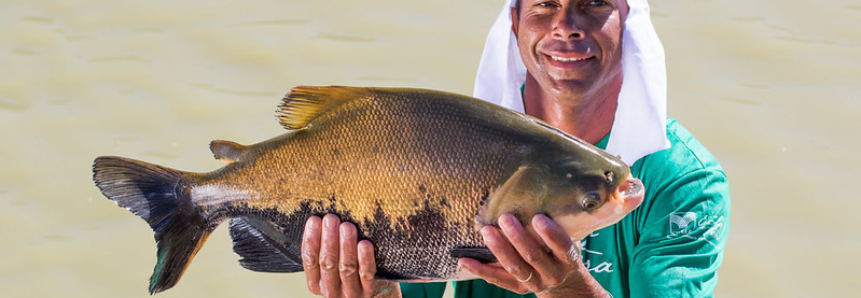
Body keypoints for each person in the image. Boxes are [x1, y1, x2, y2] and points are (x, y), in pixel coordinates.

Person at [300, 0, 730, 297]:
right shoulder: (445, 144)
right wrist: (371, 290)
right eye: (544, 4)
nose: (566, 24)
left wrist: (564, 285)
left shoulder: (684, 181)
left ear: (631, 19)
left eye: (594, 2)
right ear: (514, 21)